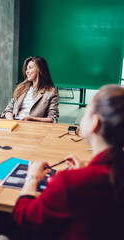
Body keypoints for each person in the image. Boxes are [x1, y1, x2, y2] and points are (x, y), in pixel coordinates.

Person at [13, 84, 124, 240]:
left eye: (86, 112)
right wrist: (86, 170)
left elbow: (24, 215)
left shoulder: (69, 182)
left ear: (94, 123)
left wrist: (32, 178)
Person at [1, 56, 59, 123]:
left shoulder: (50, 92)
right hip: (14, 123)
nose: (27, 72)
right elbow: (8, 110)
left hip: (33, 128)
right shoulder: (22, 87)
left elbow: (53, 119)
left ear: (40, 70)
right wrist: (12, 122)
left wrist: (31, 119)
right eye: (26, 69)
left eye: (30, 68)